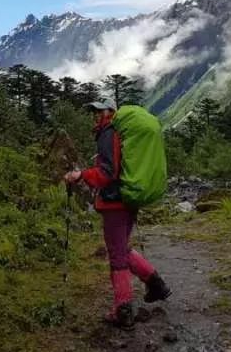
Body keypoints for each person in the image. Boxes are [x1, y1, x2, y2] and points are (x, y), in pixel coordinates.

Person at [63, 98, 171, 328]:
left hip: (115, 203)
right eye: (94, 111)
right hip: (128, 199)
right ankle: (156, 284)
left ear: (111, 112)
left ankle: (123, 309)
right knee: (122, 247)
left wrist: (80, 175)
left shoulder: (108, 133)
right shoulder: (119, 133)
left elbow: (107, 173)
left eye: (100, 111)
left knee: (117, 255)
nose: (95, 115)